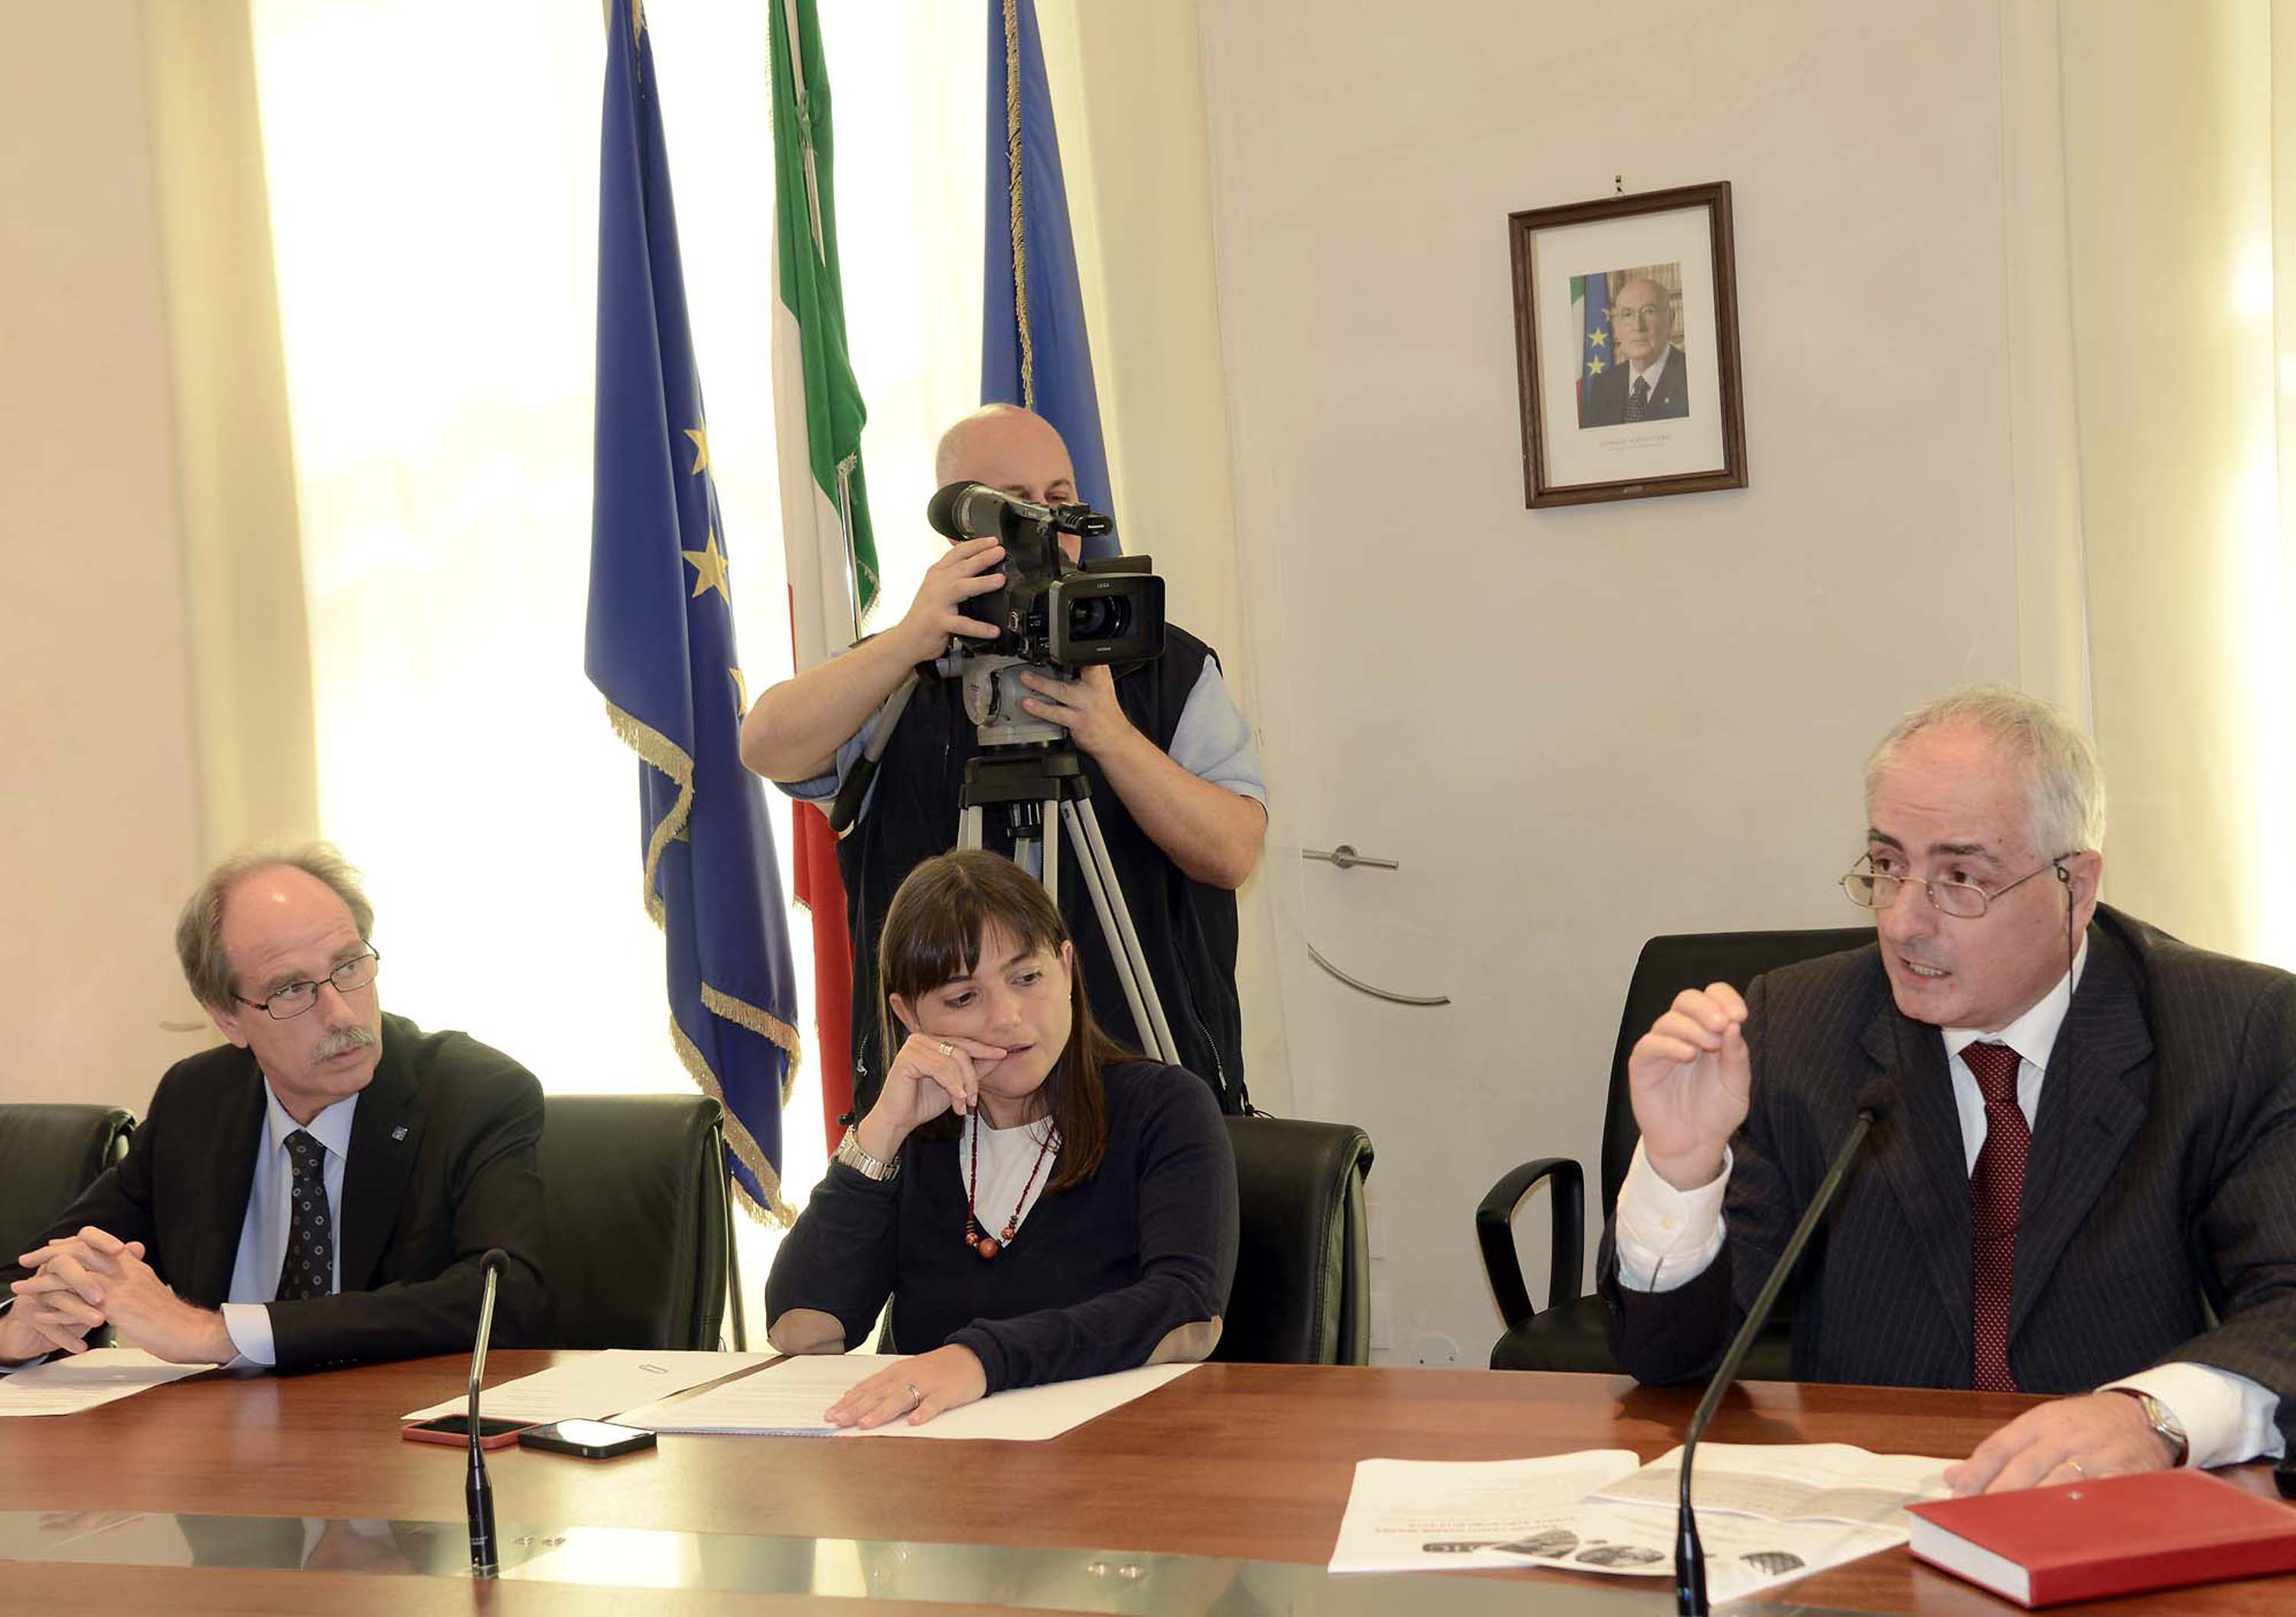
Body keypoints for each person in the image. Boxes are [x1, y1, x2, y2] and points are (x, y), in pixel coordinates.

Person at [1600, 686, 2296, 1493]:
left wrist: (2154, 1416)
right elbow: (1665, 1359)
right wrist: (1681, 1171)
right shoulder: (1795, 1025)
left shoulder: (2235, 1029)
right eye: (1889, 865)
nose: (1902, 921)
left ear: (2076, 884)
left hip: (2117, 1516)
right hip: (1870, 1527)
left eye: (1960, 876)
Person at [740, 404, 1265, 1117]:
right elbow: (765, 743)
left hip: (1140, 1095)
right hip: (944, 1110)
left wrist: (1110, 735)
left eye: (1059, 498)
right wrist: (904, 646)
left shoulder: (1164, 663)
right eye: (1019, 505)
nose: (1048, 526)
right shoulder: (907, 666)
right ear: (960, 525)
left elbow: (1233, 851)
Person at [1, 846, 550, 1371]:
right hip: (224, 1447)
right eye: (291, 990)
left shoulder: (473, 1094)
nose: (339, 1013)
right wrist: (20, 1329)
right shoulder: (197, 1103)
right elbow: (41, 1266)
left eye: (350, 965)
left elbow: (507, 1298)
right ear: (228, 1017)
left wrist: (216, 1333)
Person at [764, 849, 1237, 1428]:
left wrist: (980, 1360)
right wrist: (881, 1131)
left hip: (1116, 1468)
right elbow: (802, 1329)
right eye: (964, 997)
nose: (1008, 1016)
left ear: (1067, 968)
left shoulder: (1164, 1107)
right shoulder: (914, 1138)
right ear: (909, 1016)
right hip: (936, 1480)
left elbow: (1187, 1314)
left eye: (1027, 977)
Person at [1579, 275, 1690, 426]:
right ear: (1616, 328)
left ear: (1670, 320)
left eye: (1649, 312)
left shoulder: (1691, 377)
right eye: (1628, 315)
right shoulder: (1603, 385)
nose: (1638, 326)